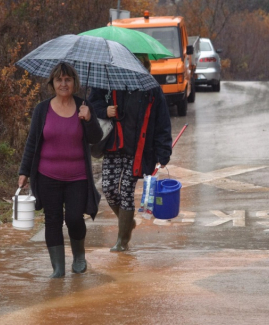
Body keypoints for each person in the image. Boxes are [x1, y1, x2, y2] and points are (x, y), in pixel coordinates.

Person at [18, 62, 102, 278]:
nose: (63, 84)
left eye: (68, 79)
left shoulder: (84, 107)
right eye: (59, 80)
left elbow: (96, 139)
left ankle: (79, 256)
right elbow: (32, 143)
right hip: (47, 176)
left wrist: (89, 119)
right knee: (52, 220)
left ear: (75, 82)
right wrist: (24, 171)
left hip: (78, 177)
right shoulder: (42, 110)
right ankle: (58, 268)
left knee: (74, 218)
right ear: (52, 83)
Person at [88, 54, 172, 252]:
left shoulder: (152, 89)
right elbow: (92, 104)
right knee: (108, 189)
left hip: (138, 152)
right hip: (113, 146)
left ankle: (122, 240)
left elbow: (162, 124)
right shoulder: (108, 81)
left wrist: (163, 152)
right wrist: (104, 110)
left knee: (125, 191)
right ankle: (127, 222)